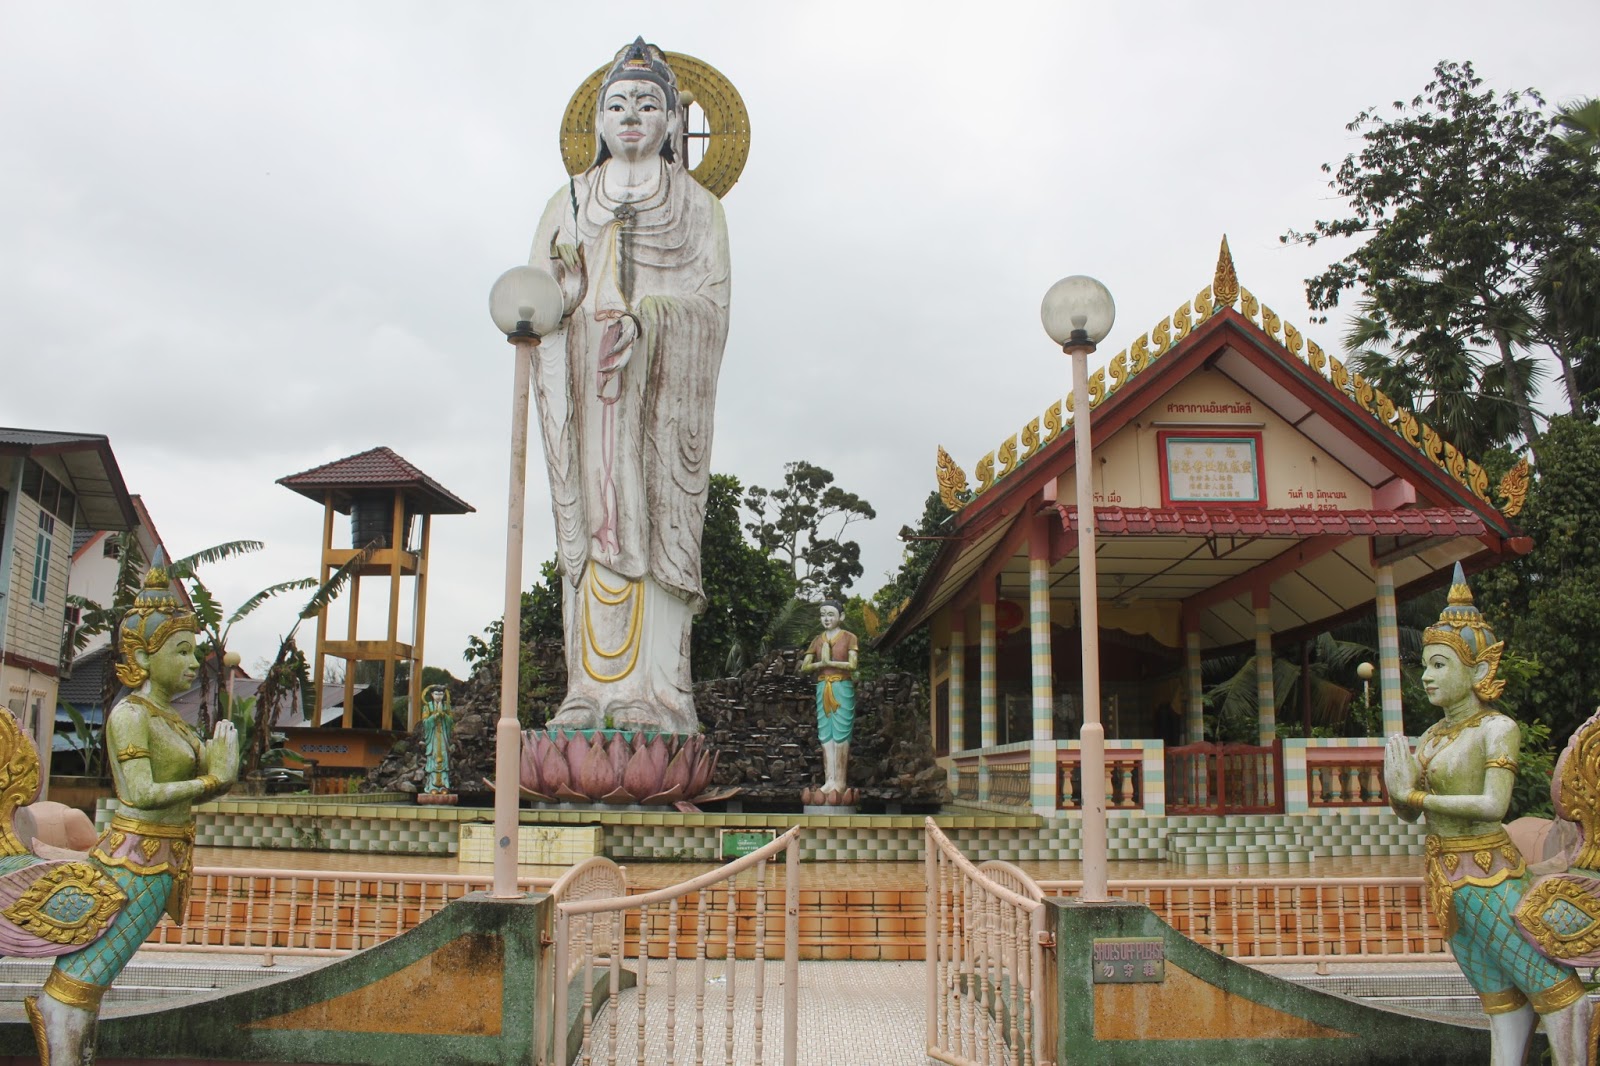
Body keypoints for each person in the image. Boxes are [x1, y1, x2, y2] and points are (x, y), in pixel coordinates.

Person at [529, 38, 731, 735]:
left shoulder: (700, 205)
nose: (633, 117)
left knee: (654, 520)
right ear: (597, 121)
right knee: (589, 522)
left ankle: (660, 697)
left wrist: (649, 322)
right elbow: (538, 306)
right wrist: (565, 304)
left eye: (649, 104)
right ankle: (586, 691)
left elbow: (711, 308)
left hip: (660, 401)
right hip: (587, 392)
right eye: (617, 105)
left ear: (675, 120)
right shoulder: (570, 199)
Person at [21, 553, 240, 1063]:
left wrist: (218, 772)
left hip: (161, 859)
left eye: (194, 653)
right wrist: (211, 775)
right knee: (81, 981)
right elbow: (138, 793)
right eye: (182, 652)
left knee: (95, 982)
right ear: (143, 656)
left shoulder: (172, 719)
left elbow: (194, 787)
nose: (193, 663)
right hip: (134, 862)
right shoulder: (129, 715)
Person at [1384, 564, 1591, 1065]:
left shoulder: (1497, 729)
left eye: (1439, 665)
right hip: (1446, 877)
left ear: (1478, 671)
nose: (1427, 676)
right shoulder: (1433, 735)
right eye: (1426, 665)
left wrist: (1413, 797)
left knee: (1556, 992)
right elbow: (1408, 814)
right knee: (1501, 1001)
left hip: (1489, 876)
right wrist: (1396, 789)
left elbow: (1493, 806)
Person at [801, 600, 859, 795]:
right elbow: (805, 666)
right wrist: (821, 664)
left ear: (841, 617)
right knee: (826, 734)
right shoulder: (818, 640)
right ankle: (829, 779)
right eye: (823, 614)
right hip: (823, 687)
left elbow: (853, 665)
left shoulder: (849, 637)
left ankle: (840, 781)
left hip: (842, 686)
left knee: (841, 732)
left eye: (831, 614)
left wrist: (830, 662)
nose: (826, 618)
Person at [421, 685, 454, 794]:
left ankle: (444, 786)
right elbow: (425, 723)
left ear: (444, 695)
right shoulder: (427, 706)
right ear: (431, 695)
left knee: (443, 759)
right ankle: (432, 787)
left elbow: (451, 722)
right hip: (433, 737)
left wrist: (444, 715)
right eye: (436, 694)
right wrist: (435, 716)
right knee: (433, 759)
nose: (439, 697)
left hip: (443, 736)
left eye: (441, 694)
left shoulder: (446, 706)